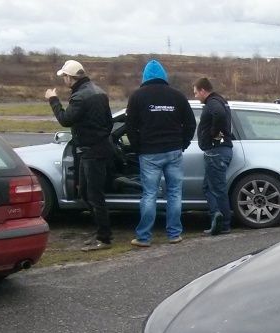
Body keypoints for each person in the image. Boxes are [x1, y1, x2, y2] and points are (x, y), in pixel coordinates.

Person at [125, 59, 196, 246]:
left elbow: (129, 127)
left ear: (145, 76)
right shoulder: (178, 96)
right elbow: (190, 124)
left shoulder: (137, 97)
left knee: (149, 194)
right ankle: (174, 234)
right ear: (164, 76)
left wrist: (137, 147)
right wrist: (183, 143)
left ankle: (144, 237)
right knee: (174, 193)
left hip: (149, 153)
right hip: (174, 151)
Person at [45, 60, 113, 251]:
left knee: (94, 194)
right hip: (95, 149)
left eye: (64, 76)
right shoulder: (99, 91)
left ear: (70, 77)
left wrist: (53, 99)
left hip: (91, 151)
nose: (64, 80)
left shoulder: (81, 97)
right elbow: (108, 122)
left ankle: (104, 237)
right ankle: (101, 231)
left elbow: (65, 120)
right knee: (85, 191)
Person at [192, 77, 233, 235]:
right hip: (218, 150)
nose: (195, 96)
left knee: (217, 188)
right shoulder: (219, 100)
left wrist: (212, 134)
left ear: (203, 90)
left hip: (216, 152)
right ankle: (217, 215)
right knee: (209, 187)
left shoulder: (213, 103)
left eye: (196, 93)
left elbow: (220, 115)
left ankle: (223, 223)